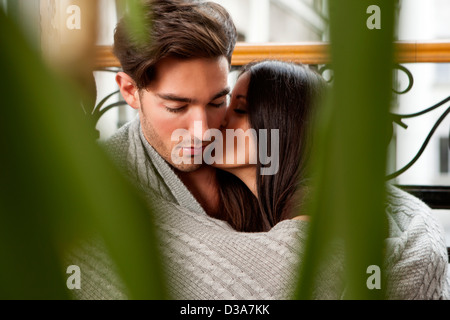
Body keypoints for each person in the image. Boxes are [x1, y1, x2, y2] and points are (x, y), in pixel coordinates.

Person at [67, 0, 448, 300]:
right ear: (130, 91)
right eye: (177, 107)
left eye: (219, 101)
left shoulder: (279, 174)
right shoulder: (103, 182)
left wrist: (422, 241)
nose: (204, 131)